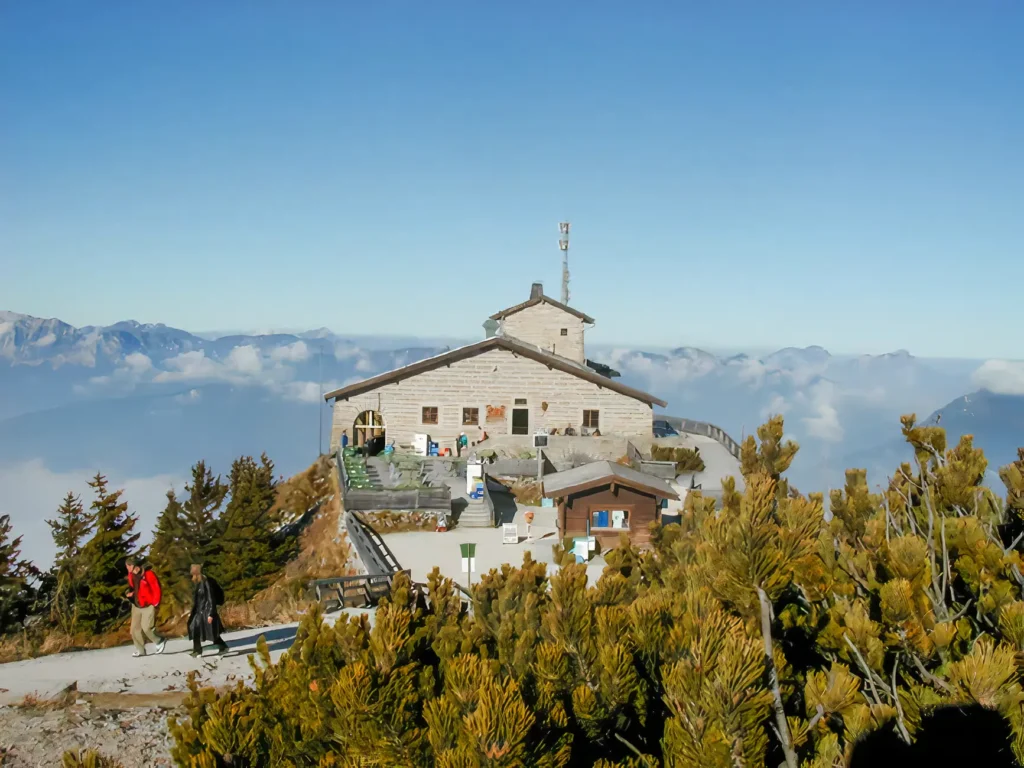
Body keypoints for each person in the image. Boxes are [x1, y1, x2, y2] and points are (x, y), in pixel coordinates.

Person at [125, 557, 166, 658]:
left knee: (146, 627)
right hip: (136, 605)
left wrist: (155, 604)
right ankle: (141, 650)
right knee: (134, 630)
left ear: (135, 565)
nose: (127, 568)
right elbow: (133, 588)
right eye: (127, 566)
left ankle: (159, 641)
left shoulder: (149, 574)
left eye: (129, 565)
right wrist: (129, 593)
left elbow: (157, 589)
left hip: (148, 605)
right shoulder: (131, 576)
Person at [187, 563, 228, 657]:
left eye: (192, 569)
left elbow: (210, 598)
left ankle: (223, 646)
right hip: (199, 611)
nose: (190, 571)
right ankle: (197, 650)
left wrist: (210, 614)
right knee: (195, 629)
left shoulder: (206, 581)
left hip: (205, 612)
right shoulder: (198, 582)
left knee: (211, 632)